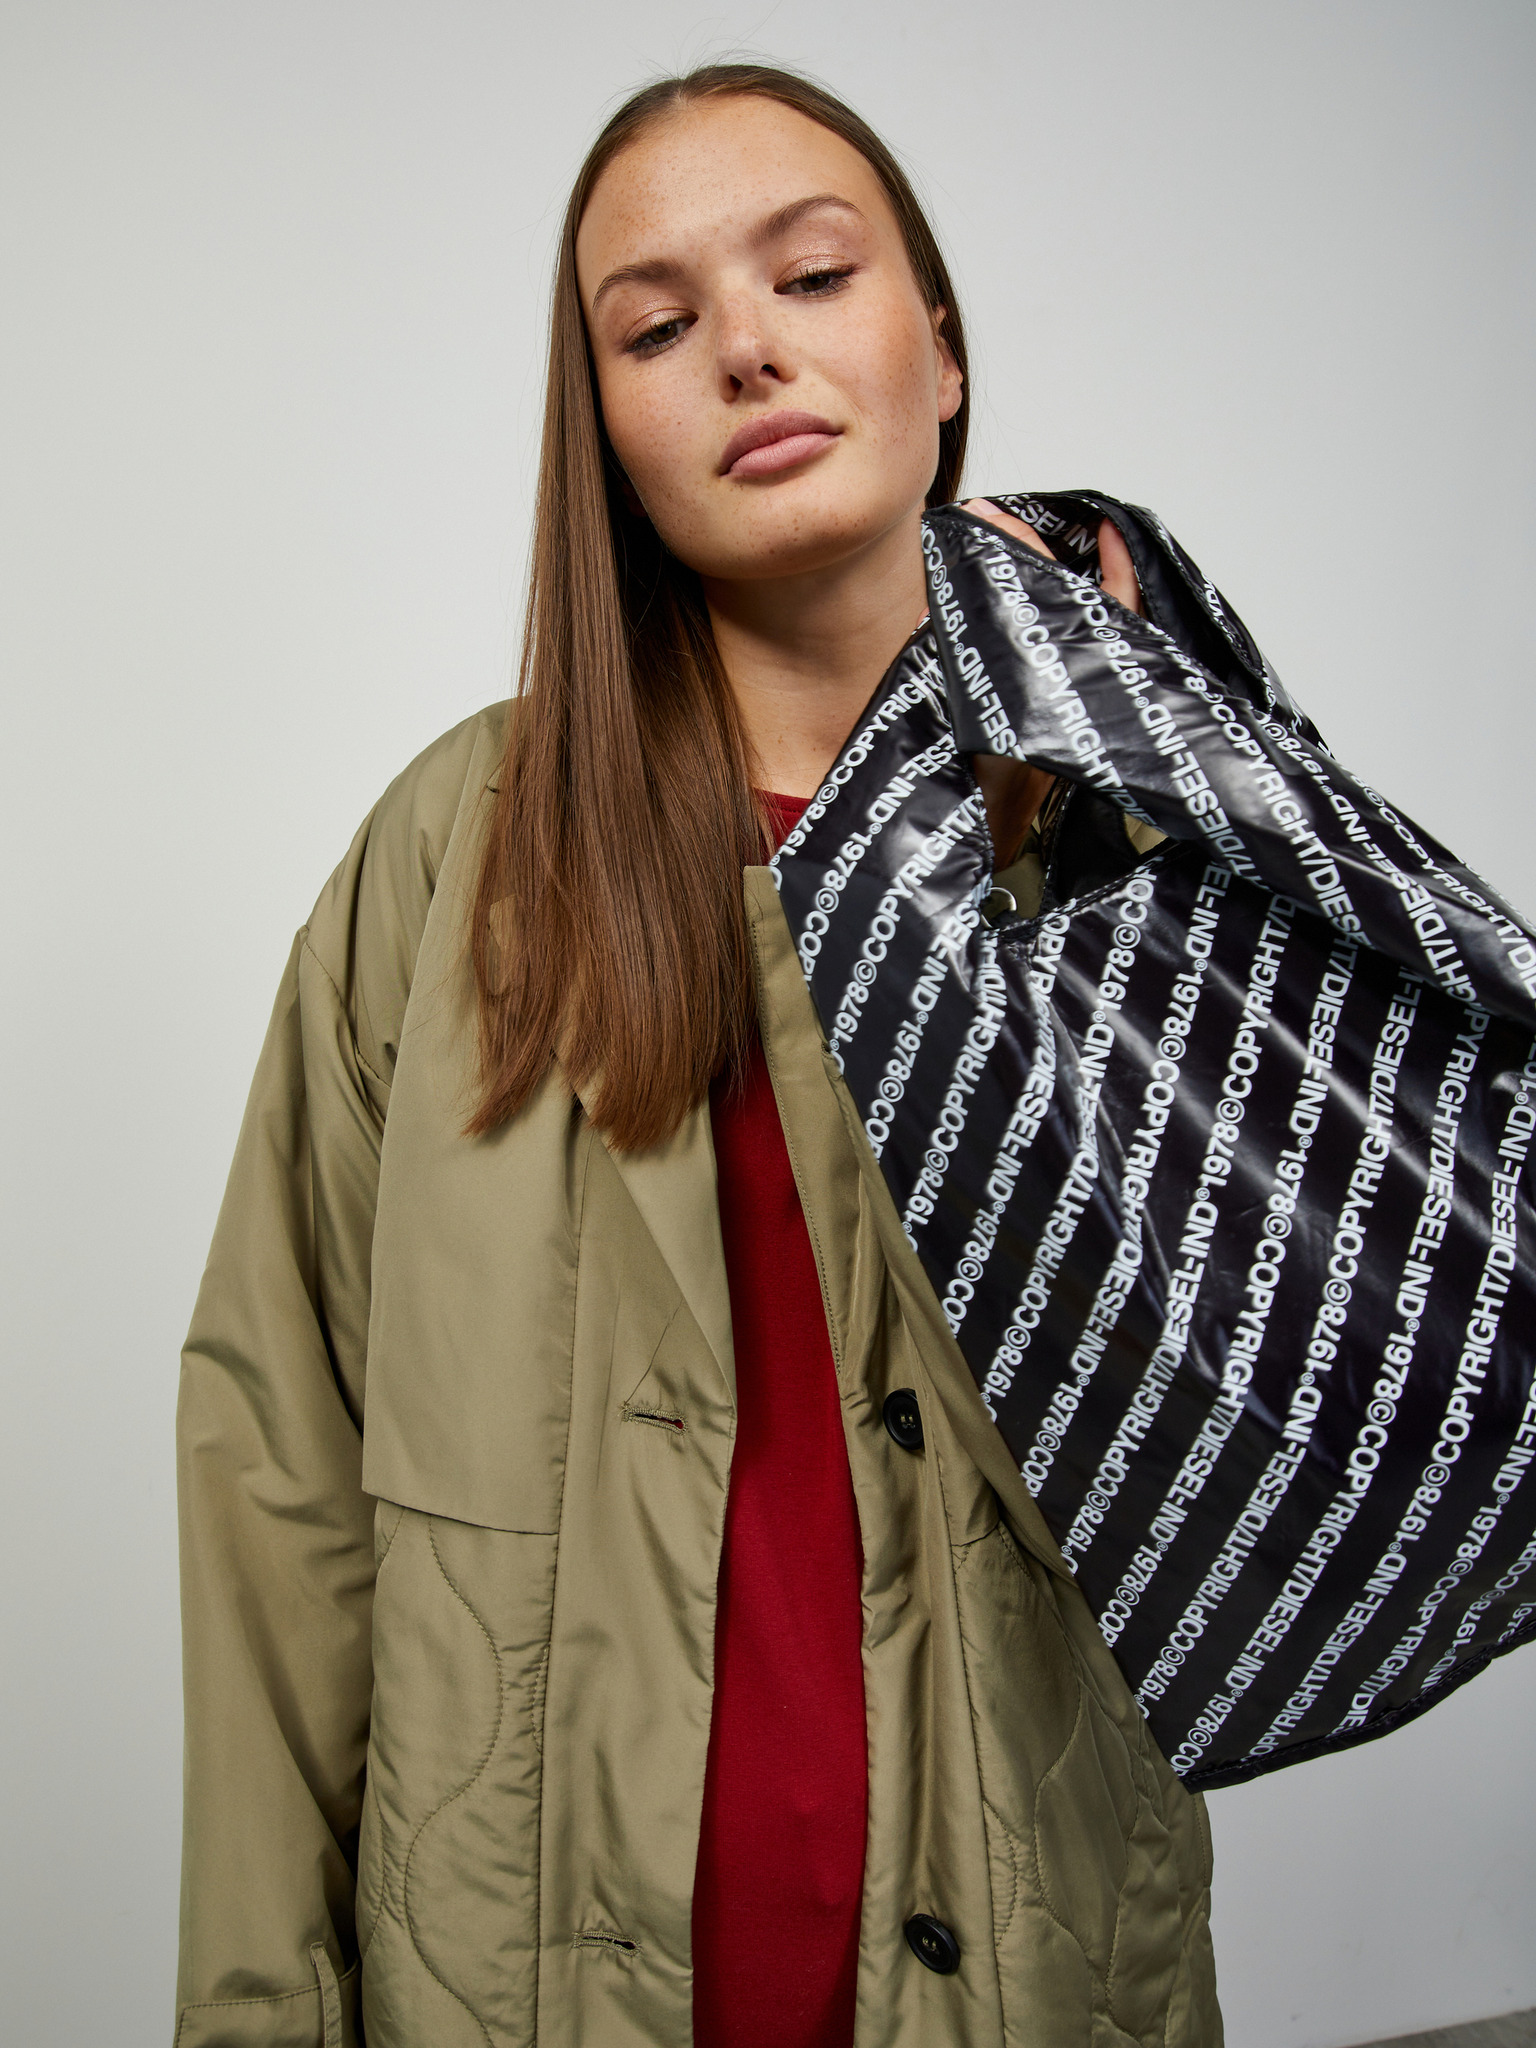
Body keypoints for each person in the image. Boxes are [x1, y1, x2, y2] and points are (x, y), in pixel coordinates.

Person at [175, 63, 1221, 2048]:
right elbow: (277, 1474)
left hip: (1036, 1975)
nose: (746, 347)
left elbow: (1356, 1363)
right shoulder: (452, 860)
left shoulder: (1133, 827)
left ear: (940, 349)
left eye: (812, 276)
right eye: (655, 328)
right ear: (606, 433)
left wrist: (1144, 763)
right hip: (515, 1989)